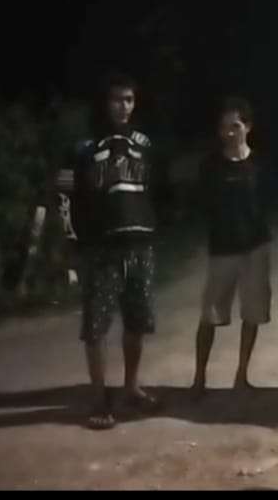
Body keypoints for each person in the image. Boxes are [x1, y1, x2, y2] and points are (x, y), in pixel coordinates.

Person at [72, 71, 160, 430]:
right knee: (96, 326)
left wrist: (155, 224)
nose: (122, 106)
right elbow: (70, 197)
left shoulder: (146, 143)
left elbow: (159, 190)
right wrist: (75, 243)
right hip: (102, 249)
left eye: (128, 99)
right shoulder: (85, 147)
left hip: (141, 245)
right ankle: (99, 398)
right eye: (116, 99)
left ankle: (131, 387)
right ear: (104, 102)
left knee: (137, 322)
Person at [192, 97, 272, 397]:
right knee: (210, 316)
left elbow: (268, 203)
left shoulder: (260, 164)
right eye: (224, 127)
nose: (229, 132)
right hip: (222, 249)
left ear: (248, 127)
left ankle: (242, 375)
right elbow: (202, 205)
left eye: (235, 126)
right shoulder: (210, 165)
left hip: (255, 248)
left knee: (252, 314)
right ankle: (199, 378)